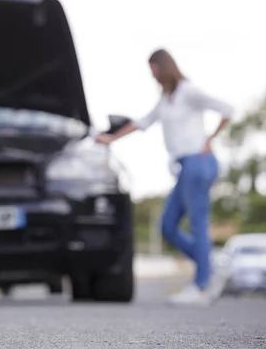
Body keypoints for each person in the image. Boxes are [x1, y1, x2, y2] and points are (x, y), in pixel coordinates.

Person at [95, 48, 234, 306]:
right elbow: (143, 122)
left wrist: (210, 139)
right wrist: (112, 137)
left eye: (154, 69)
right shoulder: (166, 99)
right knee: (167, 226)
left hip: (199, 162)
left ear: (164, 66)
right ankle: (212, 267)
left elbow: (226, 109)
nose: (153, 74)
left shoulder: (188, 91)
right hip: (184, 168)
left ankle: (202, 286)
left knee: (198, 224)